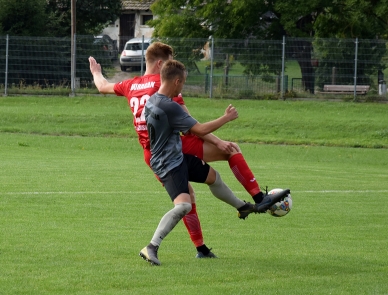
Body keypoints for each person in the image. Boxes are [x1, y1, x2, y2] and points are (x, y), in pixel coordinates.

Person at [88, 42, 289, 259]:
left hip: (150, 152)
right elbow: (193, 128)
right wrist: (218, 141)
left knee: (199, 188)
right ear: (161, 65)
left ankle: (202, 247)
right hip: (171, 148)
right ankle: (258, 198)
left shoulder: (130, 84)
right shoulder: (166, 87)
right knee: (230, 151)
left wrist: (96, 72)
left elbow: (102, 86)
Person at [141, 60, 288, 265]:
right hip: (168, 164)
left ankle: (243, 206)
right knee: (183, 206)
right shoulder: (169, 106)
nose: (182, 86)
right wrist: (226, 118)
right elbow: (199, 130)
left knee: (214, 178)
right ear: (176, 81)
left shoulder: (153, 100)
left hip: (176, 157)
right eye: (183, 83)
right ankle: (151, 247)